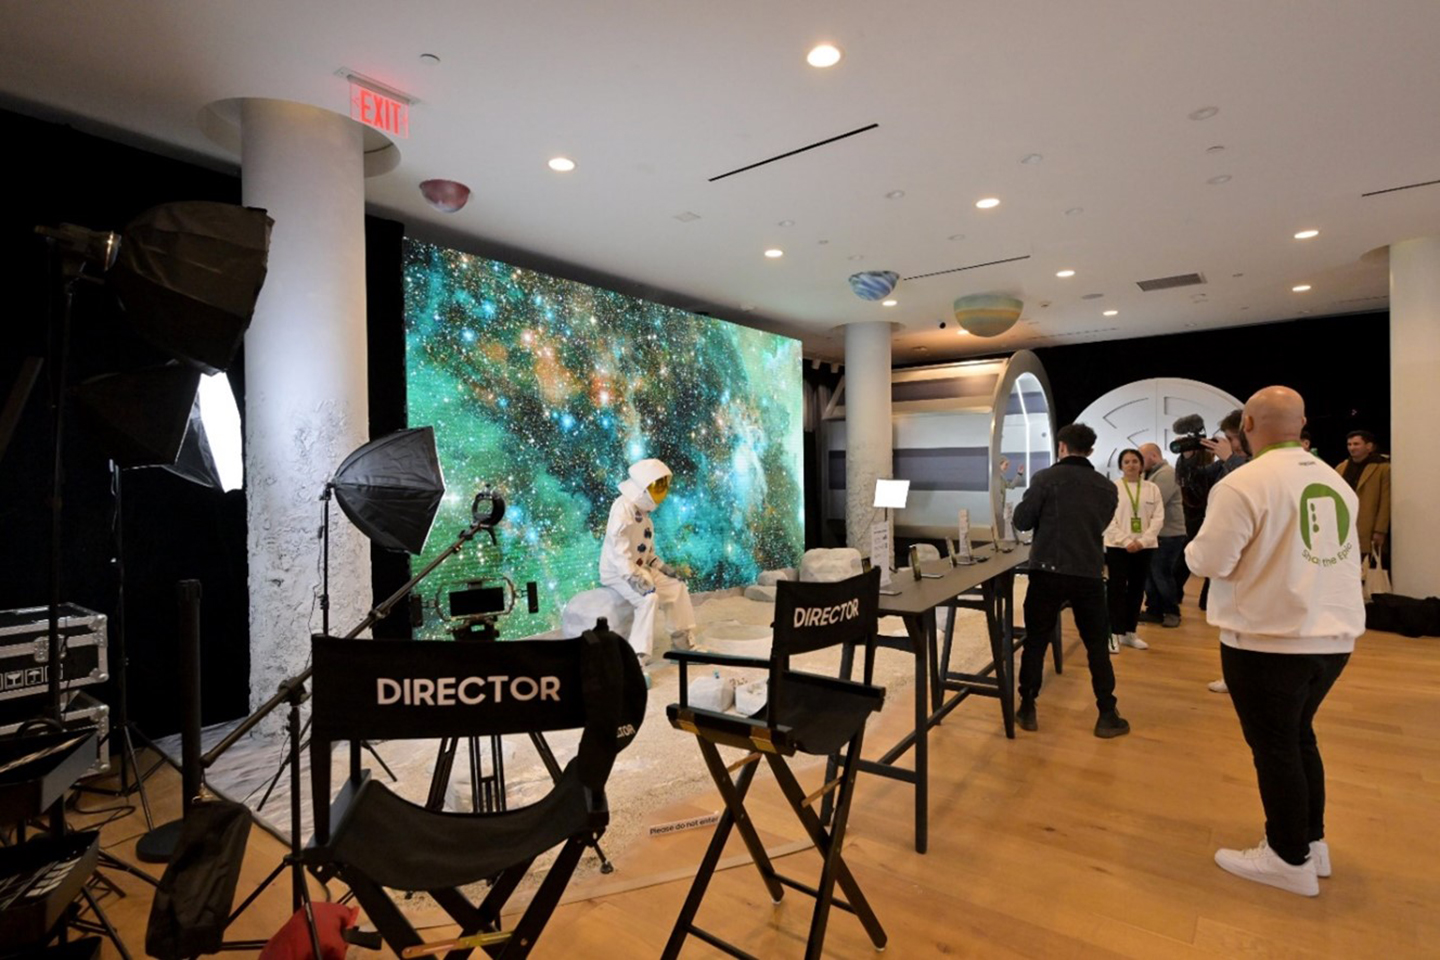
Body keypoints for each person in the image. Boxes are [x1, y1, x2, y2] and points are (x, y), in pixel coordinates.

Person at [1185, 386, 1364, 897]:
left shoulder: (1244, 483)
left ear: (1247, 425)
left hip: (1269, 641)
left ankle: (1288, 858)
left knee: (1275, 747)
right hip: (1333, 639)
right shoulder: (1333, 479)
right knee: (1299, 736)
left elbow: (1210, 561)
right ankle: (1311, 842)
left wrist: (1195, 549)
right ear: (1301, 424)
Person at [1012, 423, 1130, 738]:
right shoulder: (1107, 488)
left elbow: (1022, 521)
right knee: (1096, 646)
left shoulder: (1044, 479)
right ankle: (1107, 713)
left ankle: (1027, 707)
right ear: (1090, 450)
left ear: (1062, 446)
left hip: (1046, 573)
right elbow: (1100, 525)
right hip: (1088, 573)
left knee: (1036, 641)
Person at [600, 458, 696, 662]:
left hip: (640, 570)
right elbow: (618, 550)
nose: (662, 492)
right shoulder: (622, 508)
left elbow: (646, 553)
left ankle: (682, 646)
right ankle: (637, 657)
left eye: (663, 487)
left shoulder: (644, 517)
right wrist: (632, 577)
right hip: (618, 572)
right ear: (642, 488)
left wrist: (663, 567)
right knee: (648, 598)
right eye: (657, 487)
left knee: (676, 587)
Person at [1103, 449, 1164, 651]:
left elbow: (1158, 518)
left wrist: (1143, 541)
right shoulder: (1113, 488)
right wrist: (1126, 540)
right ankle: (1114, 633)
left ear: (1141, 465)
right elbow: (1107, 518)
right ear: (1121, 466)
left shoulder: (1152, 488)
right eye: (1126, 462)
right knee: (1117, 589)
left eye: (1135, 461)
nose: (1131, 465)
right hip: (1118, 546)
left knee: (1137, 589)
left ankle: (1130, 631)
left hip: (1144, 547)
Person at [1140, 443, 1187, 628]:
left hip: (1168, 534)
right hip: (1155, 534)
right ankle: (1154, 610)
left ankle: (1171, 611)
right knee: (1151, 574)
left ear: (1153, 456)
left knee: (1161, 574)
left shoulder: (1166, 474)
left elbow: (1153, 502)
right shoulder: (1149, 474)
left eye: (1141, 458)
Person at [1335, 430, 1390, 557]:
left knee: (1367, 561)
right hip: (1344, 524)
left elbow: (1385, 502)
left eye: (1356, 444)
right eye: (1349, 444)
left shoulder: (1383, 468)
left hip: (1368, 524)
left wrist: (1380, 530)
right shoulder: (1341, 467)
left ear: (1369, 446)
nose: (1352, 448)